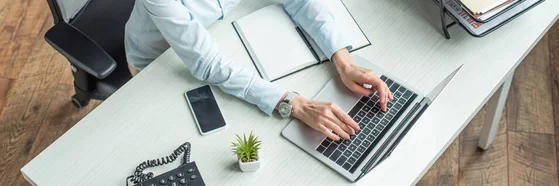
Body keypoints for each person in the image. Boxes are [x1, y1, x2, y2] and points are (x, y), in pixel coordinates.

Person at [124, 0, 392, 141]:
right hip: (157, 63)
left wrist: (344, 61)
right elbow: (206, 63)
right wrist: (292, 102)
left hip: (216, 32)